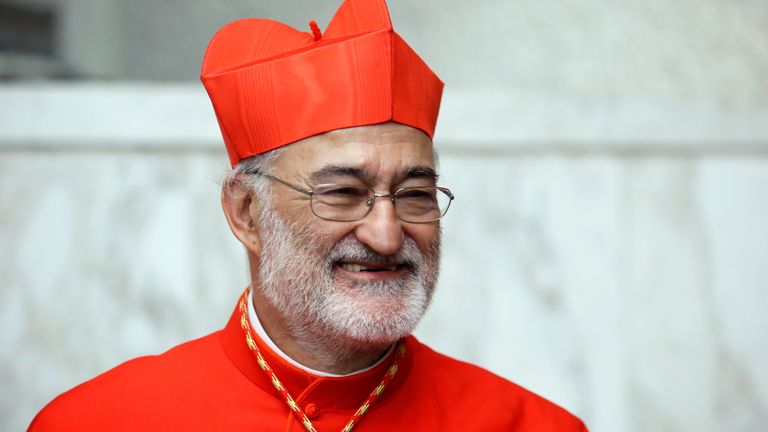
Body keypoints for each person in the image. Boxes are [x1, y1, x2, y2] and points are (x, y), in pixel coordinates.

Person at [29, 0, 588, 430]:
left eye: (415, 194)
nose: (386, 234)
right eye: (343, 192)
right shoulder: (99, 420)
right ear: (246, 213)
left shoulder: (529, 425)